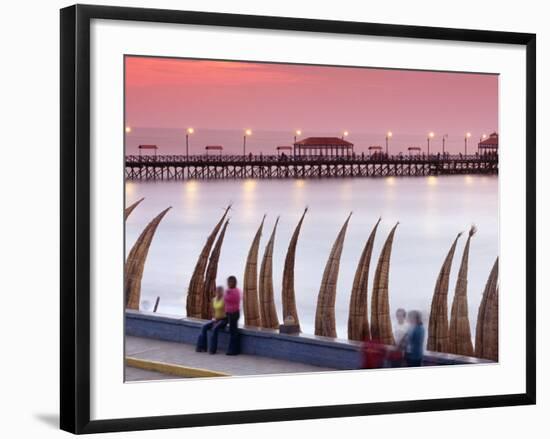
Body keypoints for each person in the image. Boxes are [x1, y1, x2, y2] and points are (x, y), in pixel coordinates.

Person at [196, 286, 227, 354]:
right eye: (217, 291)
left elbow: (226, 313)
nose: (219, 293)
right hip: (216, 320)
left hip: (223, 320)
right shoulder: (214, 300)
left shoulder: (224, 300)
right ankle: (202, 347)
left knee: (214, 329)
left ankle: (212, 350)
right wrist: (214, 319)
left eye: (220, 291)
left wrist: (218, 319)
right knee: (204, 327)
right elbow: (212, 311)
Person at [224, 275, 241, 355]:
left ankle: (232, 350)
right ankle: (233, 349)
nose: (228, 284)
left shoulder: (233, 291)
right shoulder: (233, 291)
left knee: (233, 332)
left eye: (229, 282)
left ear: (233, 282)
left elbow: (227, 299)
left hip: (233, 314)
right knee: (233, 331)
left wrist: (226, 293)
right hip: (231, 314)